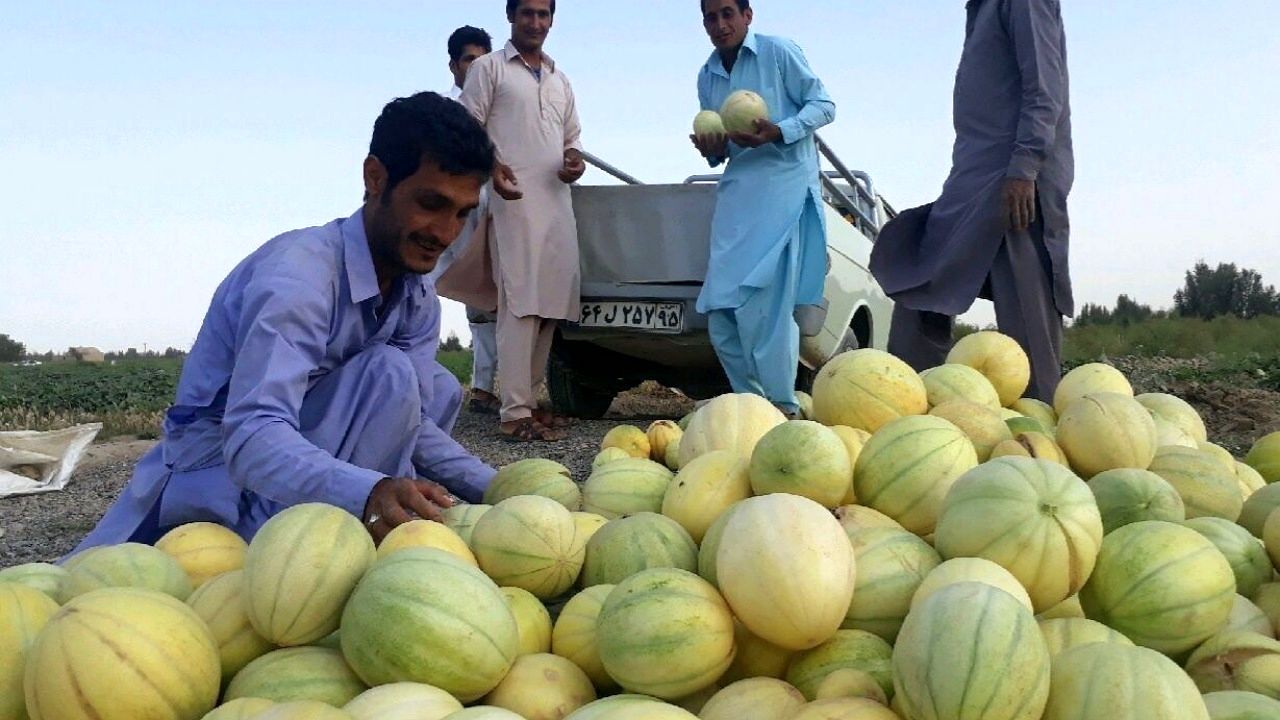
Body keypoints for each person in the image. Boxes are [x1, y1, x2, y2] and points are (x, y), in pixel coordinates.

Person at [71, 92, 499, 553]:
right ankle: (296, 549)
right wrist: (369, 491)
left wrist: (498, 488)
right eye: (430, 203)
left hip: (307, 447)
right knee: (389, 374)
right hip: (221, 466)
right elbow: (252, 435)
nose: (445, 233)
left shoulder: (416, 295)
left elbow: (412, 423)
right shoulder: (300, 276)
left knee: (436, 385)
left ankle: (342, 532)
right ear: (376, 178)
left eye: (461, 213)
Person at [869, 0, 1073, 401]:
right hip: (973, 179)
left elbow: (1044, 89)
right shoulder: (981, 9)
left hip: (1013, 182)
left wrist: (1024, 167)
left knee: (1028, 321)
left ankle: (1043, 430)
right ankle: (910, 406)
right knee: (919, 284)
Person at [447, 0, 586, 442]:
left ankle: (529, 401)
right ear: (510, 16)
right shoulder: (489, 68)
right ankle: (513, 412)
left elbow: (572, 139)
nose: (535, 22)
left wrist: (573, 160)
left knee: (551, 304)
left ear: (552, 20)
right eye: (527, 13)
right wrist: (490, 169)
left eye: (543, 14)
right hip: (513, 200)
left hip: (556, 202)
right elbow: (465, 128)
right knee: (521, 302)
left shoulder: (560, 79)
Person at [689, 0, 836, 417]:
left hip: (784, 192)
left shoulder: (779, 51)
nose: (720, 25)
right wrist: (712, 150)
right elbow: (721, 156)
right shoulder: (707, 75)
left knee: (766, 311)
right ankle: (751, 405)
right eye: (711, 18)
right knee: (720, 313)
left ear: (747, 15)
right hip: (738, 196)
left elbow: (824, 105)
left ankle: (782, 407)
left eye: (727, 14)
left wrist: (779, 131)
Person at [432, 24, 501, 416]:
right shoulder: (446, 112)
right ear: (454, 66)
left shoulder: (501, 108)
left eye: (482, 61)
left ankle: (483, 387)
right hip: (449, 211)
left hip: (492, 206)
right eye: (469, 60)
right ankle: (413, 379)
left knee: (485, 297)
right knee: (422, 287)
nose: (476, 69)